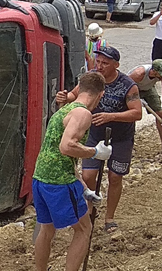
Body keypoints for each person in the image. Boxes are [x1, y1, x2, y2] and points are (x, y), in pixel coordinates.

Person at [31, 71, 108, 271]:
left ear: (79, 88)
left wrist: (84, 187)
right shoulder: (83, 114)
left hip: (41, 177)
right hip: (59, 182)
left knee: (46, 228)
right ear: (100, 95)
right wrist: (96, 152)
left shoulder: (65, 110)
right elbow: (67, 147)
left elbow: (60, 153)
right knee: (84, 229)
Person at [56, 45, 141, 234]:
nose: (100, 66)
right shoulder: (92, 78)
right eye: (99, 62)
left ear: (116, 65)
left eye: (105, 63)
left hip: (120, 137)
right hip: (94, 134)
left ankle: (110, 217)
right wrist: (65, 96)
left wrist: (111, 116)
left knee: (115, 176)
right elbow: (75, 95)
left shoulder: (128, 85)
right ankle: (90, 211)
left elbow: (137, 113)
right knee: (87, 176)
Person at [128, 59, 162, 153]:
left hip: (148, 89)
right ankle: (128, 144)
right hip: (132, 90)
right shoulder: (139, 73)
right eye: (161, 74)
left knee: (159, 115)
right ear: (154, 71)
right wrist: (137, 99)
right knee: (132, 115)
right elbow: (126, 87)